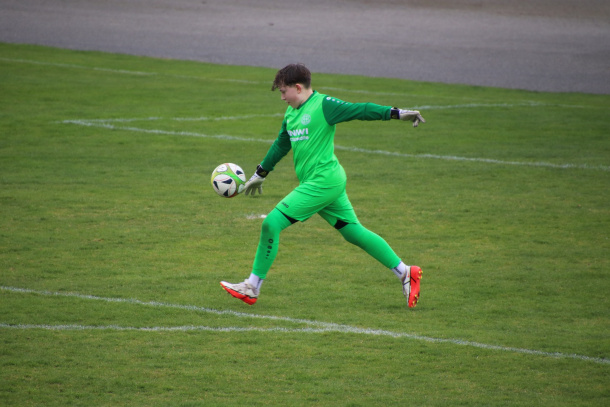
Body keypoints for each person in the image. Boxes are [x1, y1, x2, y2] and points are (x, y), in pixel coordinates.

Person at [220, 63, 425, 308]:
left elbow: (360, 110)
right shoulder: (291, 114)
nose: (282, 97)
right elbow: (281, 145)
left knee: (271, 223)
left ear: (298, 87)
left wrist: (397, 113)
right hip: (323, 182)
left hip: (323, 181)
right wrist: (261, 173)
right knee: (353, 232)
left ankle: (252, 286)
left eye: (284, 91)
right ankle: (406, 272)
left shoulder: (324, 105)